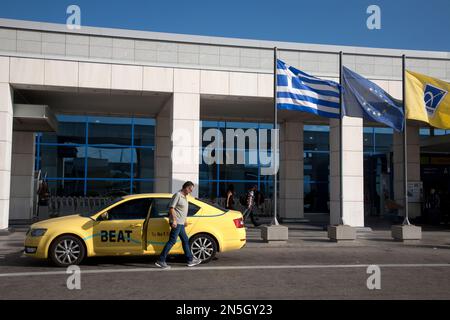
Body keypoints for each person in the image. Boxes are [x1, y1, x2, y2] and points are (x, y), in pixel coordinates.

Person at [155, 181, 201, 269]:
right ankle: (161, 260)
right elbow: (171, 208)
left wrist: (185, 220)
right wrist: (175, 220)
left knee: (185, 240)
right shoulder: (178, 195)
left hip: (181, 223)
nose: (191, 191)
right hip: (176, 223)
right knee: (172, 241)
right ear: (186, 188)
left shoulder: (184, 197)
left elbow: (181, 210)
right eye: (190, 189)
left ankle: (190, 260)